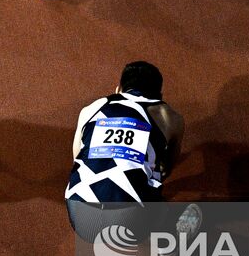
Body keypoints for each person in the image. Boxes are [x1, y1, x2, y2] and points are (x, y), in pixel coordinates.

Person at [65, 61, 201, 243]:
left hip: (81, 222)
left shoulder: (91, 109)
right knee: (158, 187)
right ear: (159, 95)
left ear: (118, 89)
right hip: (131, 225)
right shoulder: (170, 117)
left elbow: (76, 156)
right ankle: (168, 241)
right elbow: (167, 167)